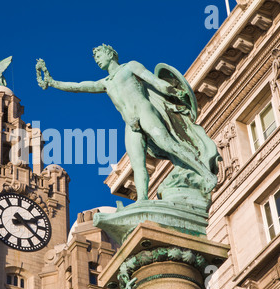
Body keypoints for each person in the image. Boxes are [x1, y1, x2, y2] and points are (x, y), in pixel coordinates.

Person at [36, 44, 218, 202]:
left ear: (110, 54)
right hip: (130, 123)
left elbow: (154, 80)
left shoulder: (130, 67)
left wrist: (171, 90)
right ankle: (142, 200)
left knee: (168, 144)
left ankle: (206, 175)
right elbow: (78, 86)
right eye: (95, 58)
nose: (97, 60)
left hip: (144, 111)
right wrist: (52, 82)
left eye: (99, 55)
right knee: (137, 163)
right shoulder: (105, 82)